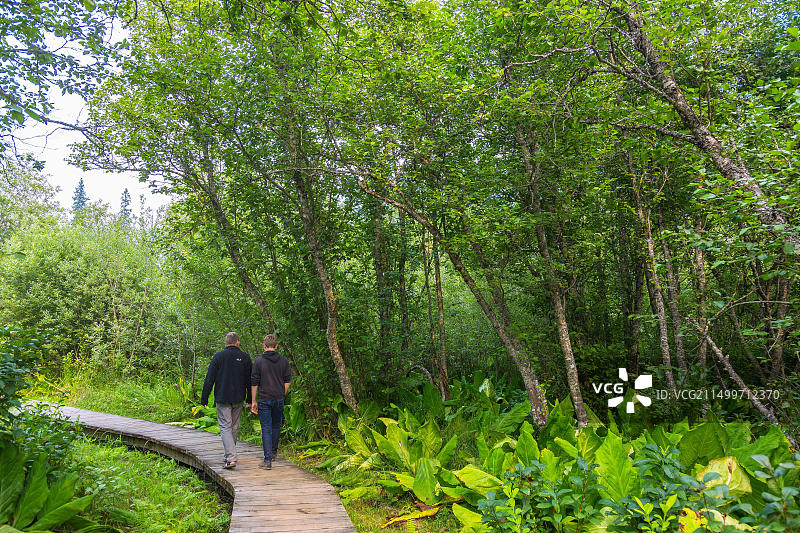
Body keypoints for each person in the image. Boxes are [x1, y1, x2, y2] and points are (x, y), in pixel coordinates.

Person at [201, 332, 252, 469]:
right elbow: (249, 380)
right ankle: (229, 456)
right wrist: (249, 399)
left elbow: (209, 378)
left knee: (225, 427)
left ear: (226, 342)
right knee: (233, 427)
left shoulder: (218, 357)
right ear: (237, 342)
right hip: (238, 398)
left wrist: (204, 398)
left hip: (222, 397)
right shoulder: (245, 357)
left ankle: (231, 457)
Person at [250, 333, 291, 470]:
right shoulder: (283, 361)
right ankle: (273, 453)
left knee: (266, 428)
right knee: (276, 426)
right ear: (276, 346)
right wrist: (282, 394)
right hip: (278, 397)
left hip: (264, 398)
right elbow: (287, 381)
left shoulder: (259, 361)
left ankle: (267, 461)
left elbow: (254, 382)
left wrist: (253, 400)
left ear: (264, 346)